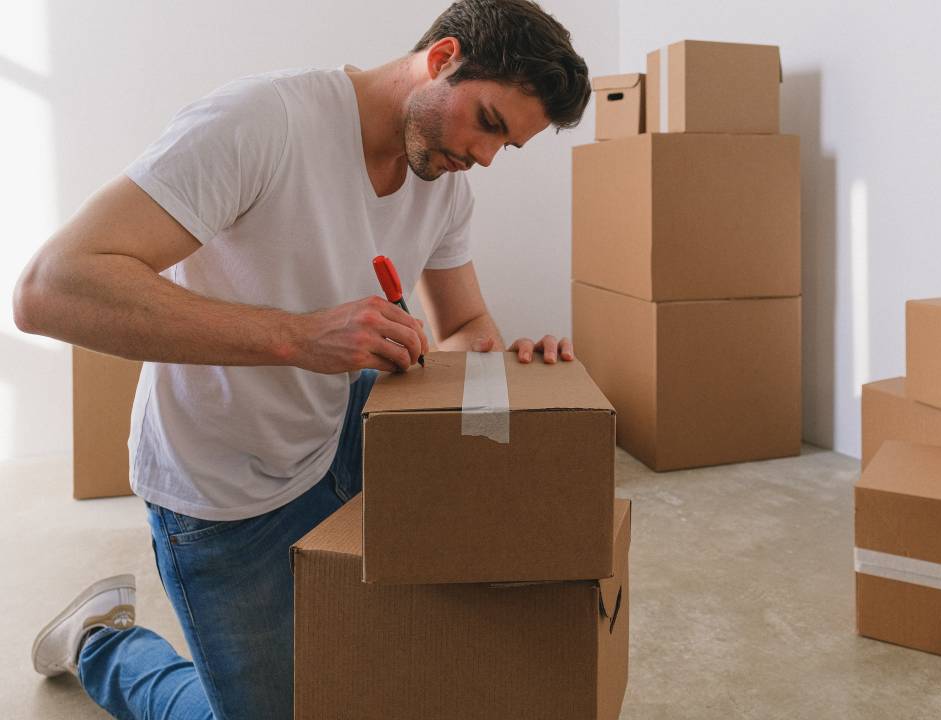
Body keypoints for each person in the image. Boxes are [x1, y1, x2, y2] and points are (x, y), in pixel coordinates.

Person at [13, 1, 590, 717]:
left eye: (509, 146)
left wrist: (509, 373)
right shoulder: (263, 122)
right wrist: (297, 337)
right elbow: (49, 289)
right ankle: (101, 641)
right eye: (489, 122)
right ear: (443, 60)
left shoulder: (445, 189)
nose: (485, 156)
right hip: (223, 486)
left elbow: (465, 324)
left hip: (340, 439)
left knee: (365, 668)